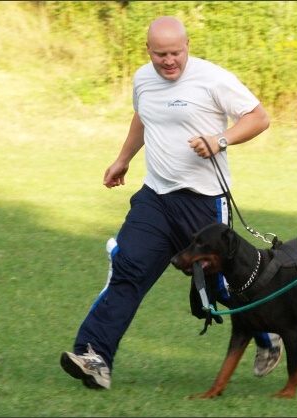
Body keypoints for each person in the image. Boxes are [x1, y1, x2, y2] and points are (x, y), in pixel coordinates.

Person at [60, 16, 283, 390]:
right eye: (160, 54)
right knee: (127, 269)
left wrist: (221, 140)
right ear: (148, 50)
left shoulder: (213, 78)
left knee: (222, 287)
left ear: (188, 46)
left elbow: (259, 118)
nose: (168, 61)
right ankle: (94, 357)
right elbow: (143, 119)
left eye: (175, 53)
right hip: (155, 199)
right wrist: (123, 159)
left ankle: (267, 334)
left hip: (203, 203)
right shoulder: (142, 79)